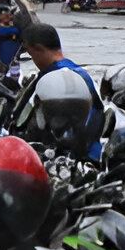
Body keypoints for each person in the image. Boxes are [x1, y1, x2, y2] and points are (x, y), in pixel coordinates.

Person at [20, 23, 106, 158]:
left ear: (38, 48)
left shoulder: (57, 79)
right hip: (92, 149)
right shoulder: (76, 71)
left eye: (32, 55)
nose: (34, 61)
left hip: (76, 155)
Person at [0, 8, 22, 79]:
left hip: (14, 55)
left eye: (7, 15)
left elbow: (20, 39)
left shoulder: (16, 26)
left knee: (14, 75)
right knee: (2, 74)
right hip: (2, 55)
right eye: (3, 15)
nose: (6, 17)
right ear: (0, 17)